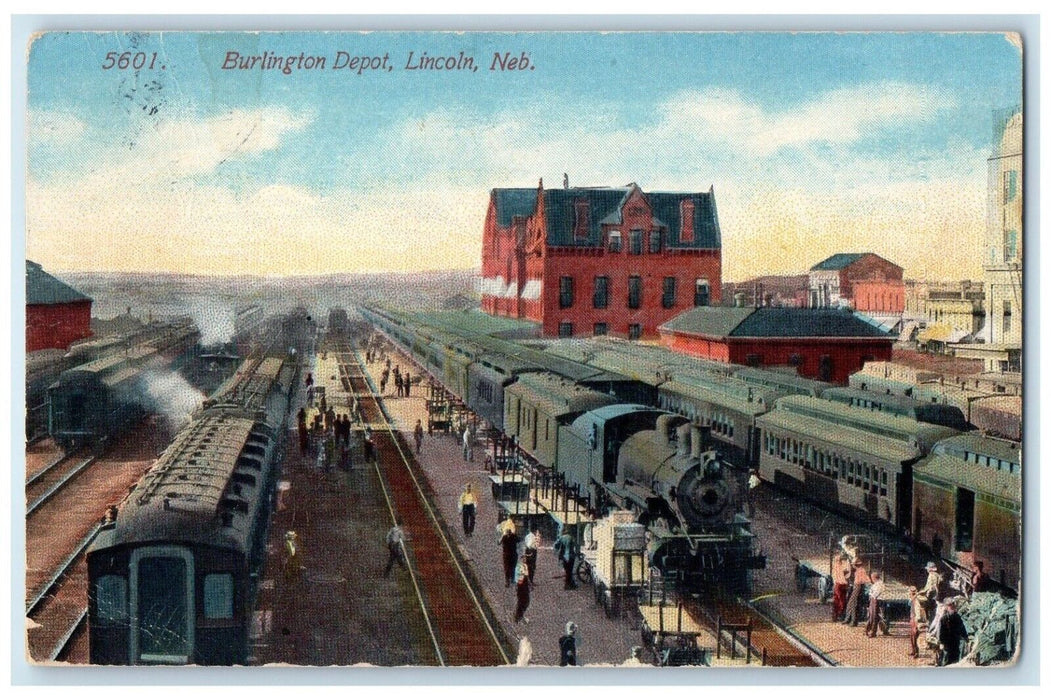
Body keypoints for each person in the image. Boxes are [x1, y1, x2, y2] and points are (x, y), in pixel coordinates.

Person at [937, 601, 969, 665]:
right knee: (946, 658)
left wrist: (965, 637)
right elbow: (940, 631)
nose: (952, 608)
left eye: (953, 607)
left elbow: (962, 628)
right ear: (947, 608)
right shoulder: (944, 618)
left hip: (955, 641)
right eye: (950, 607)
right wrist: (941, 642)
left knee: (955, 658)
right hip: (947, 642)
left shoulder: (957, 617)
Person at [843, 559, 868, 626]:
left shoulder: (861, 571)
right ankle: (848, 619)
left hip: (858, 587)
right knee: (850, 603)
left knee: (853, 604)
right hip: (856, 587)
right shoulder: (857, 570)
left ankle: (853, 621)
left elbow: (863, 580)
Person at [907, 586, 929, 658]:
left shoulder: (916, 601)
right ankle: (914, 650)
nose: (909, 594)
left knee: (914, 636)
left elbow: (918, 612)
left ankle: (916, 652)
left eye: (910, 592)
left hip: (915, 619)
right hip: (912, 618)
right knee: (912, 636)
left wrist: (916, 621)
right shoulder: (913, 600)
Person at [865, 571, 887, 637]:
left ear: (874, 578)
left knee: (874, 616)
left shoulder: (880, 584)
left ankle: (873, 631)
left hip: (877, 601)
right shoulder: (876, 584)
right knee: (875, 616)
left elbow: (875, 594)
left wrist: (871, 595)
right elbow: (871, 592)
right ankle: (870, 630)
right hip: (874, 600)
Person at [831, 553, 852, 622]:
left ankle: (835, 616)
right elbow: (848, 573)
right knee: (842, 601)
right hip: (841, 585)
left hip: (836, 585)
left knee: (836, 600)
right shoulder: (841, 567)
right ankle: (840, 615)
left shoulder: (835, 567)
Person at [501, 521, 520, 587]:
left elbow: (499, 542)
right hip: (512, 554)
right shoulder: (513, 536)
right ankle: (511, 579)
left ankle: (508, 580)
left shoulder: (504, 537)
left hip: (507, 554)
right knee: (512, 567)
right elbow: (519, 540)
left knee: (508, 567)